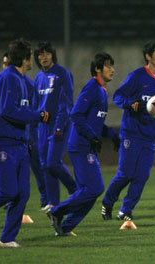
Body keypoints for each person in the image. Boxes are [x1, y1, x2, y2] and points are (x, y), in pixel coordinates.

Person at [101, 41, 155, 221]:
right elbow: (118, 96)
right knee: (126, 174)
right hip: (132, 133)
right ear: (148, 56)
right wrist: (131, 104)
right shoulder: (137, 76)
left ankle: (126, 211)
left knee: (142, 176)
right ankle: (107, 202)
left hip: (150, 136)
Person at [0, 38, 50, 248]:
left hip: (20, 144)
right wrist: (37, 115)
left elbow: (35, 100)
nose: (32, 60)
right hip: (2, 143)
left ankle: (7, 238)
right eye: (29, 56)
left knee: (22, 193)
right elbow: (8, 110)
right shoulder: (8, 78)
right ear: (24, 58)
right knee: (8, 191)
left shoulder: (24, 81)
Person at [48, 52, 120, 236]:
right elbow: (76, 114)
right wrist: (92, 136)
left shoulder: (102, 90)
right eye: (108, 66)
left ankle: (64, 228)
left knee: (88, 194)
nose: (112, 69)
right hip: (81, 147)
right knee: (96, 188)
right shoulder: (92, 87)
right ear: (97, 69)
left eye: (113, 66)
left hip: (87, 146)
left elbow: (95, 122)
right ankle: (56, 211)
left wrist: (112, 135)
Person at [34, 41, 77, 212]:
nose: (43, 57)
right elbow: (36, 105)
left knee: (53, 162)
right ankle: (53, 202)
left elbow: (66, 102)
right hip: (42, 126)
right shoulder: (38, 78)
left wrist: (59, 126)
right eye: (40, 54)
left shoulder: (62, 74)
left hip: (60, 123)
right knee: (45, 164)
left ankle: (74, 189)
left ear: (52, 55)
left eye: (47, 53)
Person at [3, 52, 48, 209]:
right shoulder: (6, 83)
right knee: (13, 168)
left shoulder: (28, 84)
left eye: (7, 63)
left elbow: (35, 109)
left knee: (37, 165)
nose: (5, 67)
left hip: (31, 131)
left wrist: (31, 134)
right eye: (4, 63)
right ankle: (12, 198)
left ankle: (46, 198)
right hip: (14, 135)